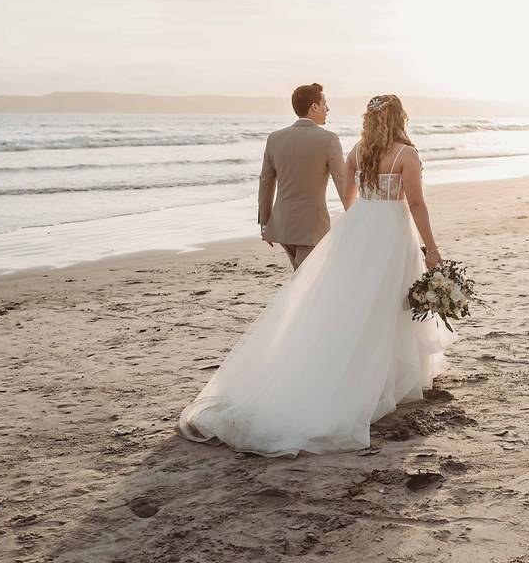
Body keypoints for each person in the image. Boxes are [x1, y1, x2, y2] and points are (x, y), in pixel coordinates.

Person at [178, 94, 456, 457]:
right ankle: (389, 381)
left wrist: (362, 223)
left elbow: (350, 194)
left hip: (361, 227)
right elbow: (416, 203)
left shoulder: (359, 150)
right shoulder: (407, 155)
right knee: (391, 302)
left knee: (358, 304)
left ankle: (375, 376)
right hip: (392, 231)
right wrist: (431, 249)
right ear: (399, 118)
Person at [258, 83, 347, 270]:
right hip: (312, 228)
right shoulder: (329, 140)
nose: (327, 109)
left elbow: (266, 182)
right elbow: (343, 184)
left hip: (282, 224)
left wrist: (265, 223)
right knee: (307, 285)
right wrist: (357, 218)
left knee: (300, 280)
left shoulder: (274, 138)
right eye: (324, 103)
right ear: (314, 106)